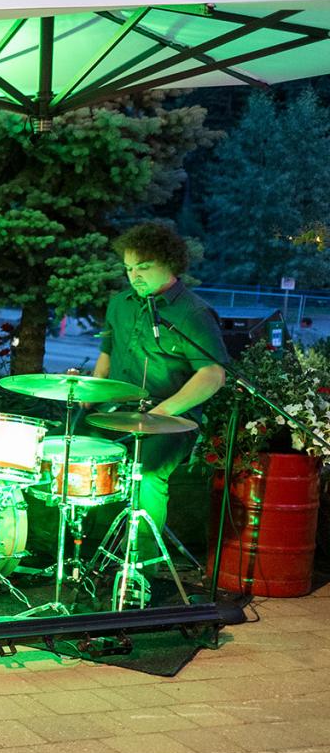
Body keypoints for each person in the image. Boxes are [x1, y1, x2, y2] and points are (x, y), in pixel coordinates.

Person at [93, 222, 228, 557]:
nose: (133, 276)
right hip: (119, 411)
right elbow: (107, 353)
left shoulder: (193, 312)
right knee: (72, 449)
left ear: (169, 264)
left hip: (172, 421)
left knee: (148, 472)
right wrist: (91, 391)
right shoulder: (119, 304)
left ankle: (140, 567)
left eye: (143, 267)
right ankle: (80, 551)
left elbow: (212, 373)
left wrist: (164, 411)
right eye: (128, 268)